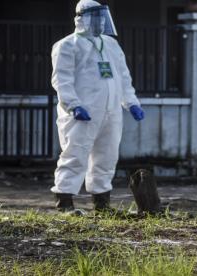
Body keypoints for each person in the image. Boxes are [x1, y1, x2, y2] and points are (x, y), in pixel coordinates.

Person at [50, 0, 145, 212]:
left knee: (107, 156)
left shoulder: (110, 44)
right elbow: (62, 79)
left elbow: (123, 77)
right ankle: (64, 202)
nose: (100, 22)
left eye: (102, 17)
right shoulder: (67, 45)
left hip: (111, 112)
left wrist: (131, 103)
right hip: (82, 113)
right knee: (75, 154)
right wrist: (73, 105)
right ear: (81, 18)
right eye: (95, 17)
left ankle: (101, 204)